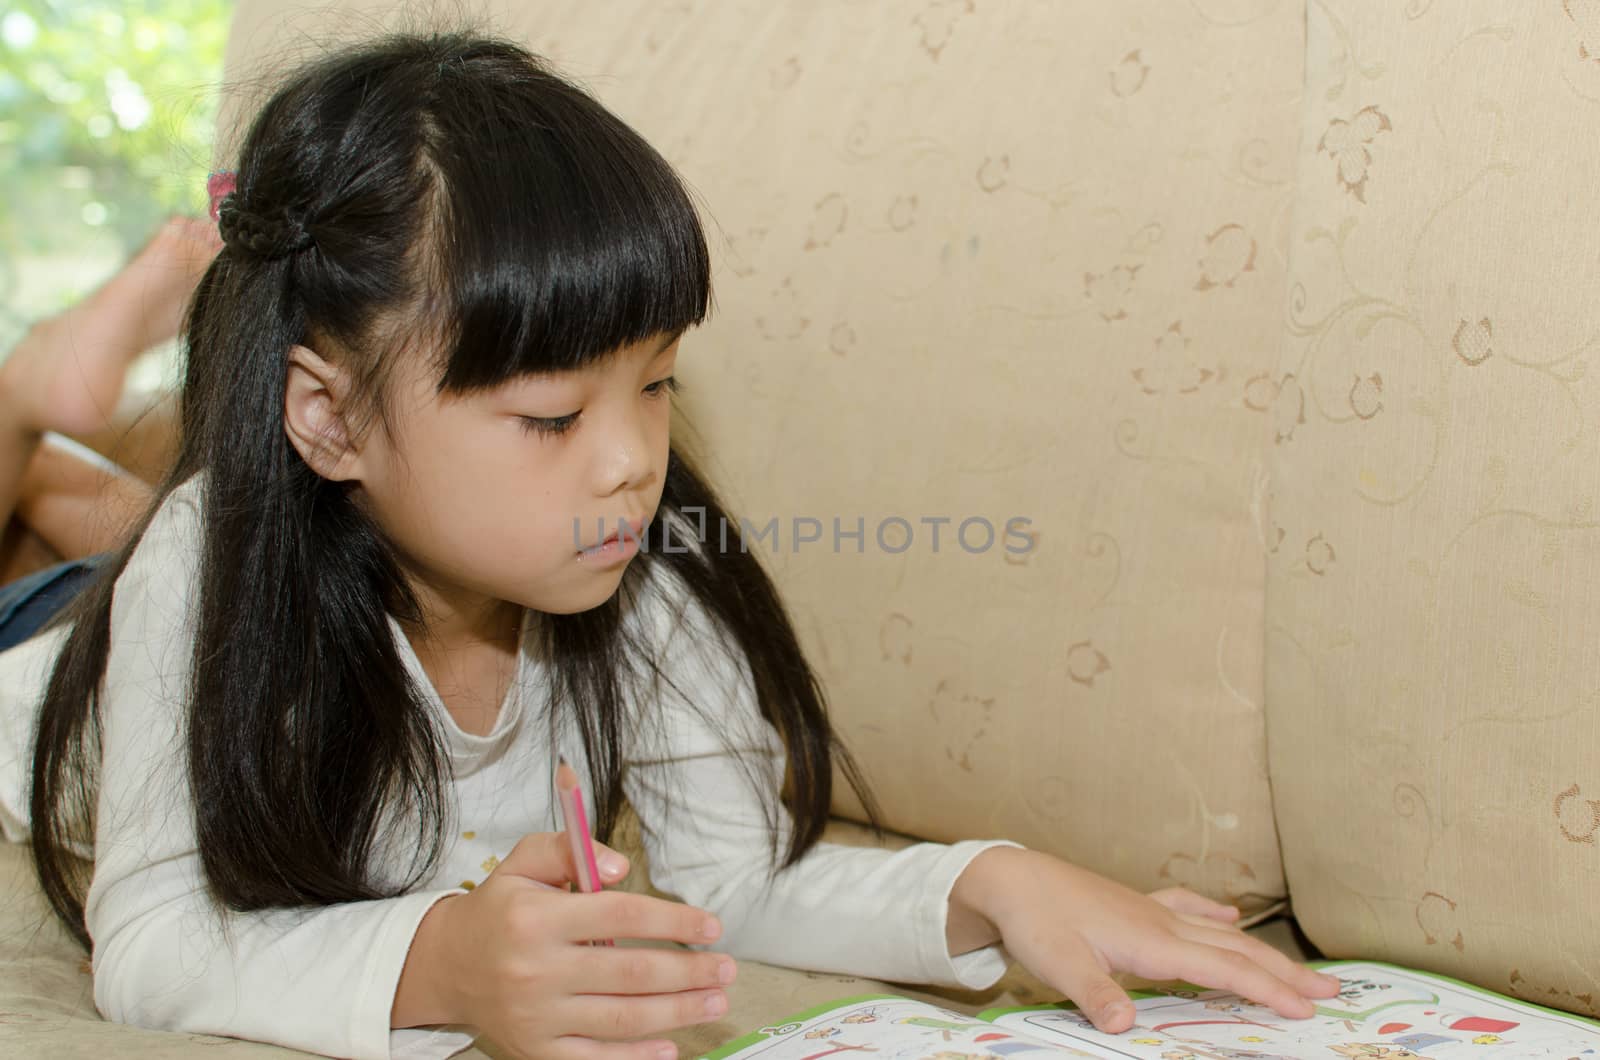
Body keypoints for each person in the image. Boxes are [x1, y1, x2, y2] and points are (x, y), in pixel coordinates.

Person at [0, 30, 1341, 1060]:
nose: (631, 459)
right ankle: (28, 410)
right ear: (328, 418)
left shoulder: (633, 557)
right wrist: (442, 968)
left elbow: (733, 885)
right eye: (550, 414)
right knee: (94, 544)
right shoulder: (206, 565)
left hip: (215, 548)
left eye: (654, 384)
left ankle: (62, 456)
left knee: (89, 516)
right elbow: (153, 947)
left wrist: (989, 883)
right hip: (45, 675)